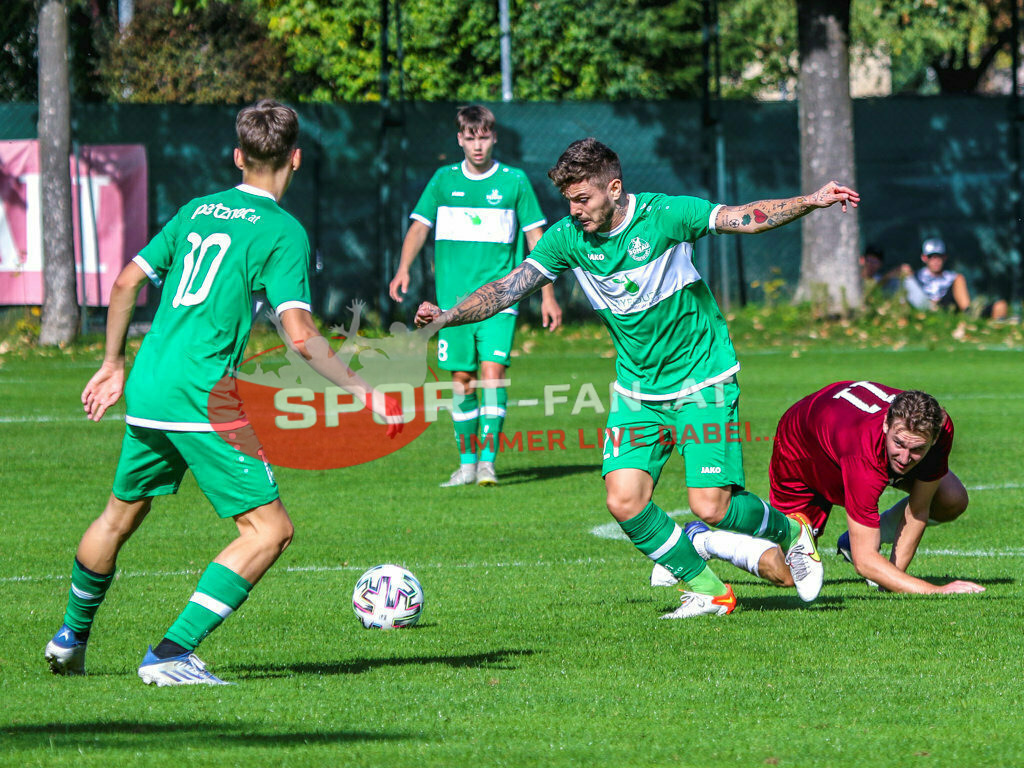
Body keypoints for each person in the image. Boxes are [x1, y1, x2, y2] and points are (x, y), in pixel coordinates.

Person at [415, 137, 860, 618]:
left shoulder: (665, 215)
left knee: (711, 507)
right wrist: (448, 315)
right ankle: (710, 591)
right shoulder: (568, 239)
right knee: (624, 499)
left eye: (583, 198)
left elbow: (744, 216)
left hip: (702, 377)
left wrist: (810, 201)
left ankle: (792, 532)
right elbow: (510, 287)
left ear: (614, 187)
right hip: (638, 390)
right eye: (568, 200)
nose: (575, 210)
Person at [44, 100, 399, 686]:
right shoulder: (283, 230)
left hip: (152, 383)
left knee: (121, 513)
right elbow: (301, 336)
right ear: (297, 158)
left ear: (238, 157)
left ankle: (69, 638)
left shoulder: (195, 210)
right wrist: (366, 392)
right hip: (202, 392)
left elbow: (127, 280)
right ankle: (170, 654)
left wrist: (113, 363)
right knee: (269, 530)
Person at [662, 381, 985, 596]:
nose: (905, 457)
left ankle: (856, 538)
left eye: (917, 450)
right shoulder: (864, 454)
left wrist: (893, 581)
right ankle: (704, 539)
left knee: (951, 498)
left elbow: (920, 508)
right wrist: (935, 590)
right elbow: (865, 563)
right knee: (789, 573)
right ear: (886, 425)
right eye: (899, 444)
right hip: (802, 453)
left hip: (835, 432)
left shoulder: (938, 429)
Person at [389, 105, 562, 488]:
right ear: (460, 139)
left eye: (484, 136)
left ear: (494, 137)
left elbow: (538, 241)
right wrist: (403, 268)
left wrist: (548, 297)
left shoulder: (515, 182)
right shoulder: (442, 180)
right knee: (462, 379)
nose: (478, 144)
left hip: (502, 301)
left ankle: (487, 464)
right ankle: (466, 465)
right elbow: (419, 228)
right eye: (470, 137)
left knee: (492, 375)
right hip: (452, 307)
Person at [907, 237, 1008, 320]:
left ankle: (973, 316)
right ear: (924, 258)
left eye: (939, 257)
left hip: (950, 309)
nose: (936, 261)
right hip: (927, 310)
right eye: (931, 257)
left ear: (944, 258)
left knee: (1001, 306)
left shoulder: (951, 277)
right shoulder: (916, 277)